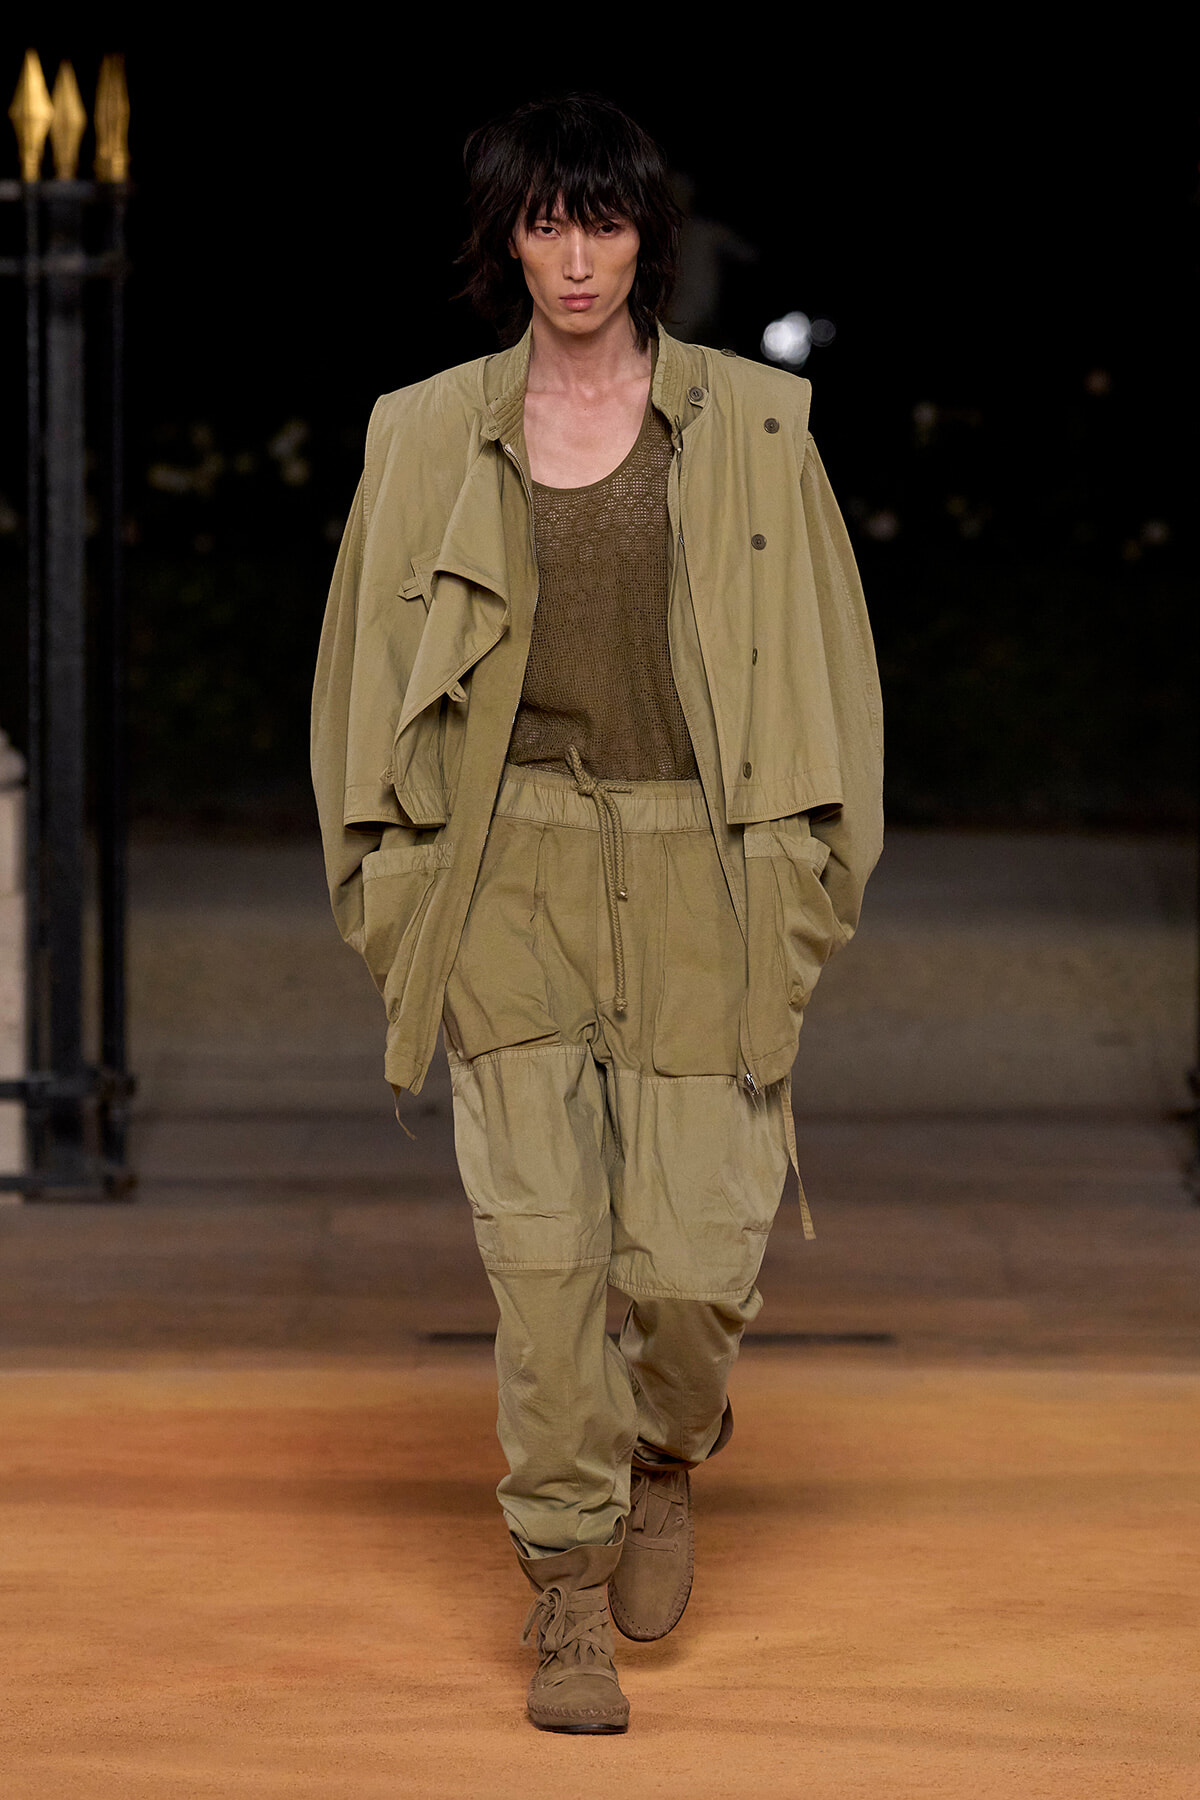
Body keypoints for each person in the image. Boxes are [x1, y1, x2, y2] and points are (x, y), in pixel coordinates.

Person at [311, 92, 883, 1736]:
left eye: (603, 222)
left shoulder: (760, 428)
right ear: (505, 238)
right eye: (544, 223)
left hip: (703, 864)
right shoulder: (423, 434)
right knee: (545, 1257)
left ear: (649, 236)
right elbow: (359, 687)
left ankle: (664, 1447)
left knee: (697, 1262)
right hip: (508, 868)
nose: (576, 256)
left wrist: (809, 897)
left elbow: (837, 682)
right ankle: (563, 1589)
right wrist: (394, 895)